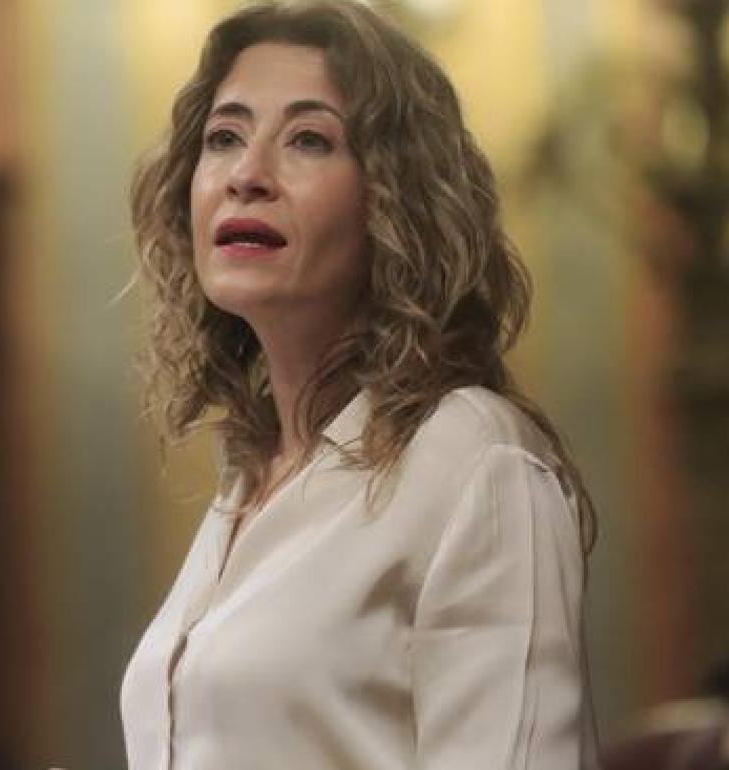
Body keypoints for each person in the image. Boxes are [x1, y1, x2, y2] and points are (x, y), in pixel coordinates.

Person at [120, 2, 599, 769]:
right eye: (224, 138)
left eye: (309, 140)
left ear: (394, 200)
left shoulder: (477, 462)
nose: (247, 175)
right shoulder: (253, 476)